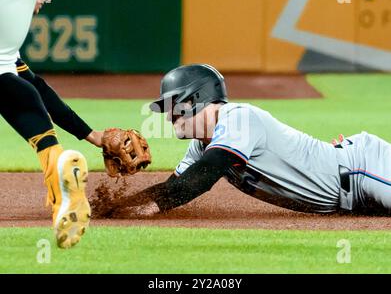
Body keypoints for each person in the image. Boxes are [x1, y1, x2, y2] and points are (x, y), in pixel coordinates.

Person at [106, 63, 391, 217]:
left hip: (362, 170)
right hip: (351, 198)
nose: (168, 117)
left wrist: (142, 208)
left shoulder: (238, 119)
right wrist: (111, 209)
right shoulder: (201, 145)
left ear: (194, 99)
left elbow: (201, 178)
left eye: (172, 106)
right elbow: (176, 188)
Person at [0, 0, 102, 248]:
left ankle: (62, 184)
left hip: (5, 78)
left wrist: (93, 136)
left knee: (23, 94)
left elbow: (39, 90)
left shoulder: (6, 46)